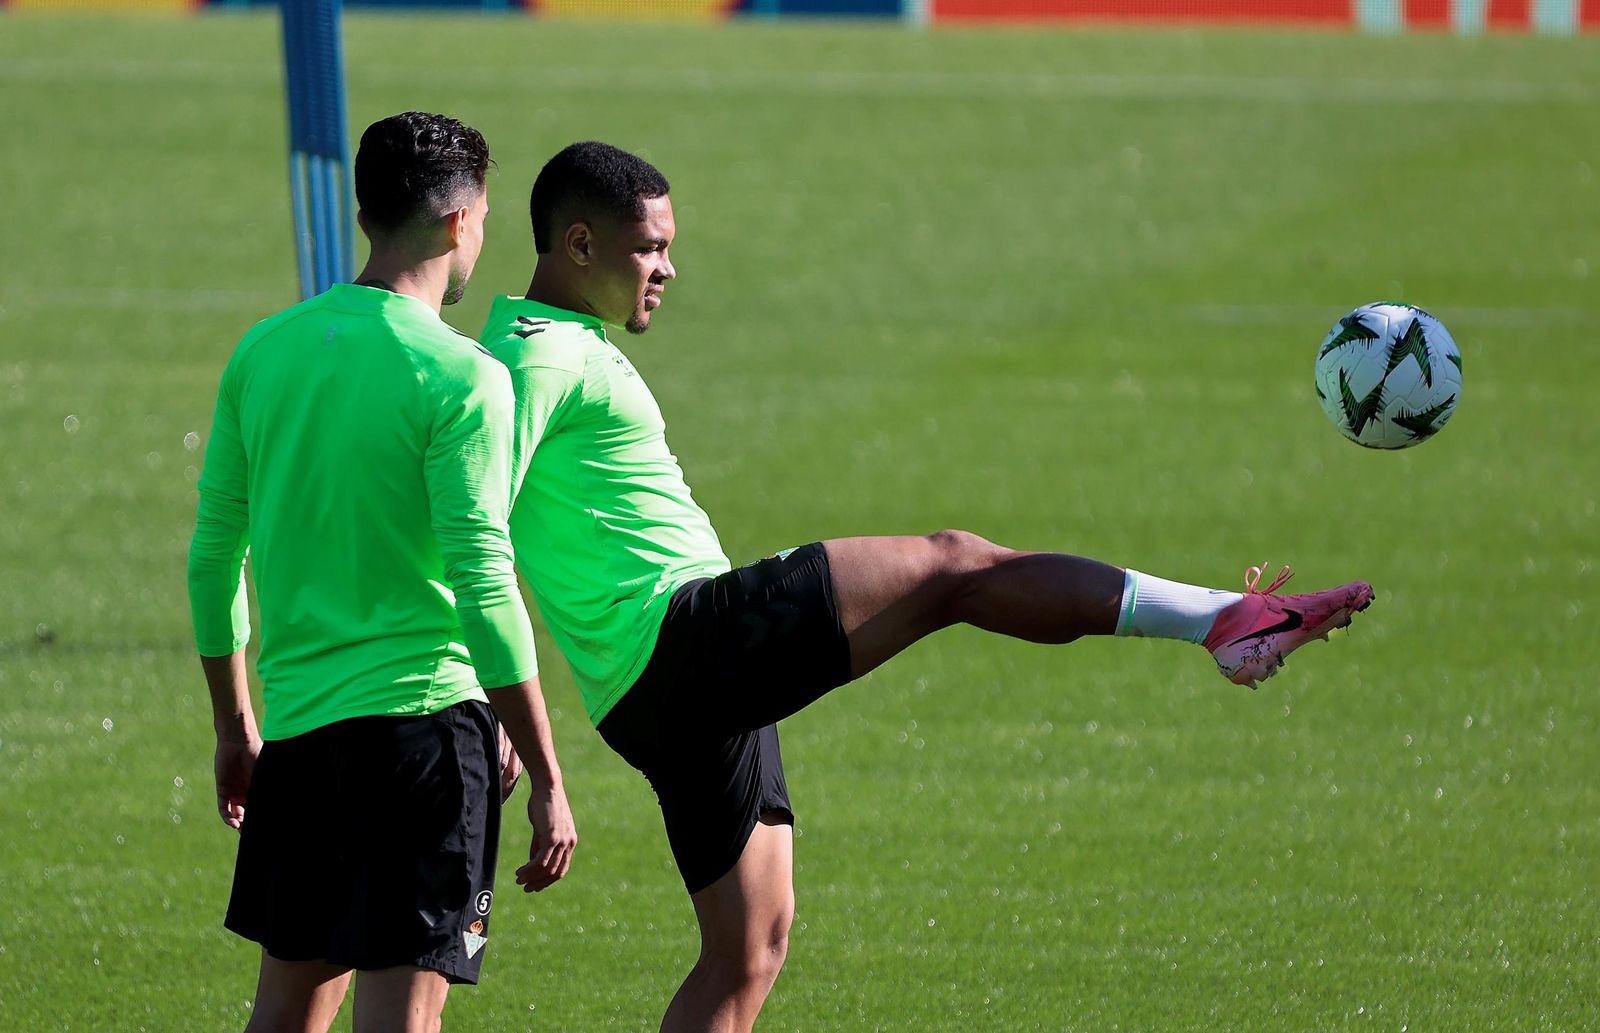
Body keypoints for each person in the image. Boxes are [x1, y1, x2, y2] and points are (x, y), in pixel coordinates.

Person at [479, 141, 1373, 1033]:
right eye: (649, 248)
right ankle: (1226, 621)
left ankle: (1229, 622)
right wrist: (519, 733)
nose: (668, 268)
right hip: (687, 639)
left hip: (657, 691)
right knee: (956, 567)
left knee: (750, 949)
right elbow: (474, 535)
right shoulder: (536, 359)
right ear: (582, 245)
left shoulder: (548, 343)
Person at [187, 112, 576, 1033]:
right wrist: (550, 770)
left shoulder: (264, 351)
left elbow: (213, 560)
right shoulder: (463, 376)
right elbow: (485, 582)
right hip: (425, 746)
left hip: (302, 737)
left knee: (284, 1013)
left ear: (367, 213)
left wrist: (235, 727)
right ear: (458, 223)